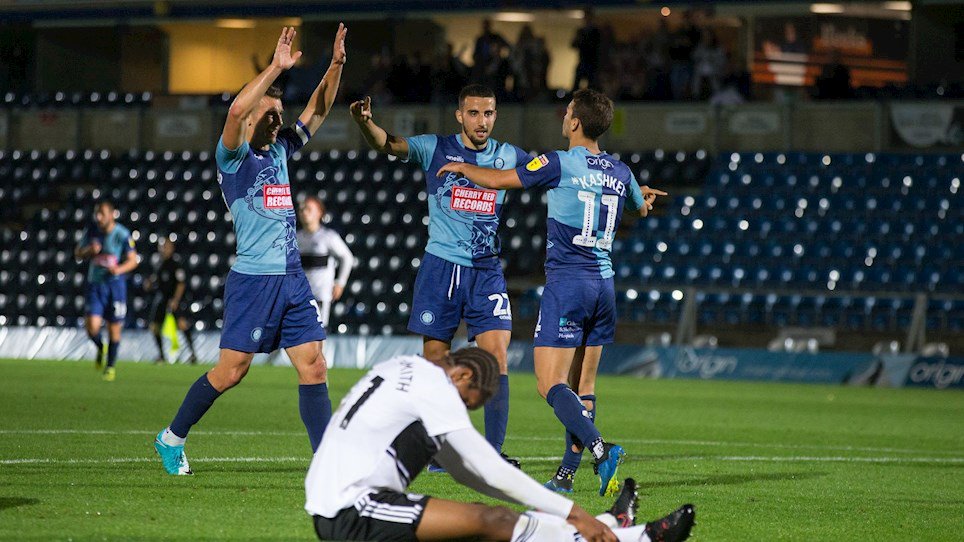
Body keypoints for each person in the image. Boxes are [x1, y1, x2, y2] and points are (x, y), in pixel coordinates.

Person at [437, 89, 667, 496]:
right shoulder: (622, 172)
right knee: (584, 386)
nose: (564, 117)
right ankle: (565, 475)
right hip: (604, 286)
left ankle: (601, 448)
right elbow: (640, 207)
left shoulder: (558, 162)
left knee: (549, 384)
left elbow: (499, 180)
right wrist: (642, 197)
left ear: (575, 122)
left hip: (568, 286)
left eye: (567, 112)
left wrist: (461, 166)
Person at [153, 24, 348, 475]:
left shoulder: (280, 151)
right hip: (254, 281)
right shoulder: (233, 158)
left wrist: (335, 66)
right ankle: (171, 438)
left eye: (280, 113)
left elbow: (318, 109)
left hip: (293, 279)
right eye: (270, 113)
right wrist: (275, 67)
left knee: (314, 365)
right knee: (231, 372)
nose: (278, 120)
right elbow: (238, 108)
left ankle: (327, 463)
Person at [305, 347, 696, 542]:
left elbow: (467, 472)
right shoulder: (434, 386)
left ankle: (612, 526)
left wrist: (567, 515)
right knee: (492, 522)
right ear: (462, 376)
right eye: (468, 402)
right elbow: (488, 469)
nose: (463, 409)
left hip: (346, 497)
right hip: (349, 507)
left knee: (492, 524)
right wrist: (574, 512)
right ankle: (634, 537)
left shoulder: (402, 368)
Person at [349, 84, 530, 465]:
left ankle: (492, 455)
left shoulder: (510, 156)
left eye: (488, 113)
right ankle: (434, 450)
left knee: (497, 357)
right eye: (474, 113)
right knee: (435, 363)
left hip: (486, 269)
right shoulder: (435, 147)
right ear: (459, 115)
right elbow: (388, 144)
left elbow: (553, 173)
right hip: (441, 267)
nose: (482, 121)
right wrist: (366, 123)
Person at [74, 199, 138, 382]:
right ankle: (100, 346)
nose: (99, 217)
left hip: (115, 286)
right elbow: (77, 253)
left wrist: (118, 269)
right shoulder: (92, 231)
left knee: (114, 328)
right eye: (97, 213)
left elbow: (133, 260)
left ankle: (110, 367)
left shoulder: (122, 234)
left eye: (102, 213)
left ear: (112, 215)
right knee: (92, 327)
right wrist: (89, 251)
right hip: (95, 284)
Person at [297, 195, 354, 328]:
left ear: (319, 213)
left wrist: (340, 283)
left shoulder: (328, 237)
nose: (304, 212)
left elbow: (347, 258)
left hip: (319, 295)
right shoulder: (295, 237)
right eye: (302, 209)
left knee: (318, 332)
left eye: (309, 209)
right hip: (299, 295)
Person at [145, 235, 199, 365]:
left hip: (174, 298)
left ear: (172, 248)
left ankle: (193, 354)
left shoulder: (175, 264)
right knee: (154, 327)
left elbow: (181, 283)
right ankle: (161, 355)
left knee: (182, 324)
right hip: (161, 298)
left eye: (166, 247)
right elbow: (155, 280)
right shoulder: (158, 264)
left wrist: (175, 300)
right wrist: (149, 283)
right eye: (162, 247)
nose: (164, 249)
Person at [572, 9, 602, 90]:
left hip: (592, 63)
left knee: (592, 85)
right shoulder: (581, 31)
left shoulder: (596, 32)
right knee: (576, 84)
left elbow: (597, 46)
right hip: (583, 61)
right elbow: (573, 44)